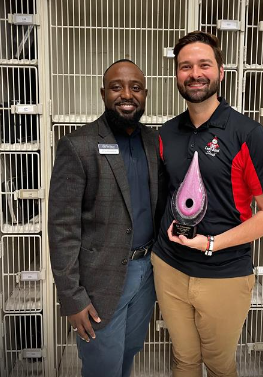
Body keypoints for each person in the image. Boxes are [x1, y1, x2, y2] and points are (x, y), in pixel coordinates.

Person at [152, 31, 263, 377]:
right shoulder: (166, 134)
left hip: (224, 274)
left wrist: (211, 243)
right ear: (176, 74)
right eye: (185, 66)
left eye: (203, 64)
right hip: (169, 268)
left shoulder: (246, 133)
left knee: (219, 365)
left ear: (221, 71)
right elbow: (165, 196)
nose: (194, 73)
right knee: (183, 360)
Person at [48, 59, 164, 377]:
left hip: (146, 274)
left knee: (128, 352)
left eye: (135, 88)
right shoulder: (79, 146)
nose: (127, 94)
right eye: (117, 87)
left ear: (144, 94)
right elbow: (62, 228)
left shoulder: (154, 143)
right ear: (103, 93)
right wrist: (71, 298)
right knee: (103, 365)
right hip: (101, 282)